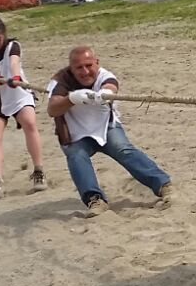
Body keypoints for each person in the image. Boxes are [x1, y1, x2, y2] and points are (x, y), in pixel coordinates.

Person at [46, 45, 172, 215]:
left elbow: (111, 86)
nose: (85, 71)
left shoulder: (105, 76)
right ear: (71, 68)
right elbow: (52, 109)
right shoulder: (61, 81)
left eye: (89, 65)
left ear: (97, 63)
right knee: (76, 156)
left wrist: (104, 94)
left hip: (106, 127)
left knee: (123, 149)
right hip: (75, 134)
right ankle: (95, 200)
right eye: (79, 67)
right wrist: (71, 99)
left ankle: (163, 184)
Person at [0, 16, 47, 199]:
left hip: (16, 92)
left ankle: (39, 170)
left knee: (29, 122)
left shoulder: (13, 45)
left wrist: (15, 78)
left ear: (4, 35)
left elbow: (14, 63)